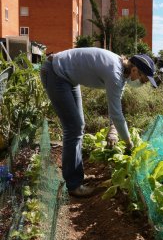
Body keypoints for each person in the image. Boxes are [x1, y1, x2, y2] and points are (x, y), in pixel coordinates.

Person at [40, 47, 157, 197]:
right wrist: (129, 144)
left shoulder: (120, 73)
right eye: (144, 80)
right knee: (73, 128)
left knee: (78, 125)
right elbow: (116, 114)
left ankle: (76, 175)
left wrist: (113, 129)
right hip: (56, 73)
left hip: (68, 77)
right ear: (135, 70)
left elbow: (115, 104)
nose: (142, 83)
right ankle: (73, 184)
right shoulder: (114, 73)